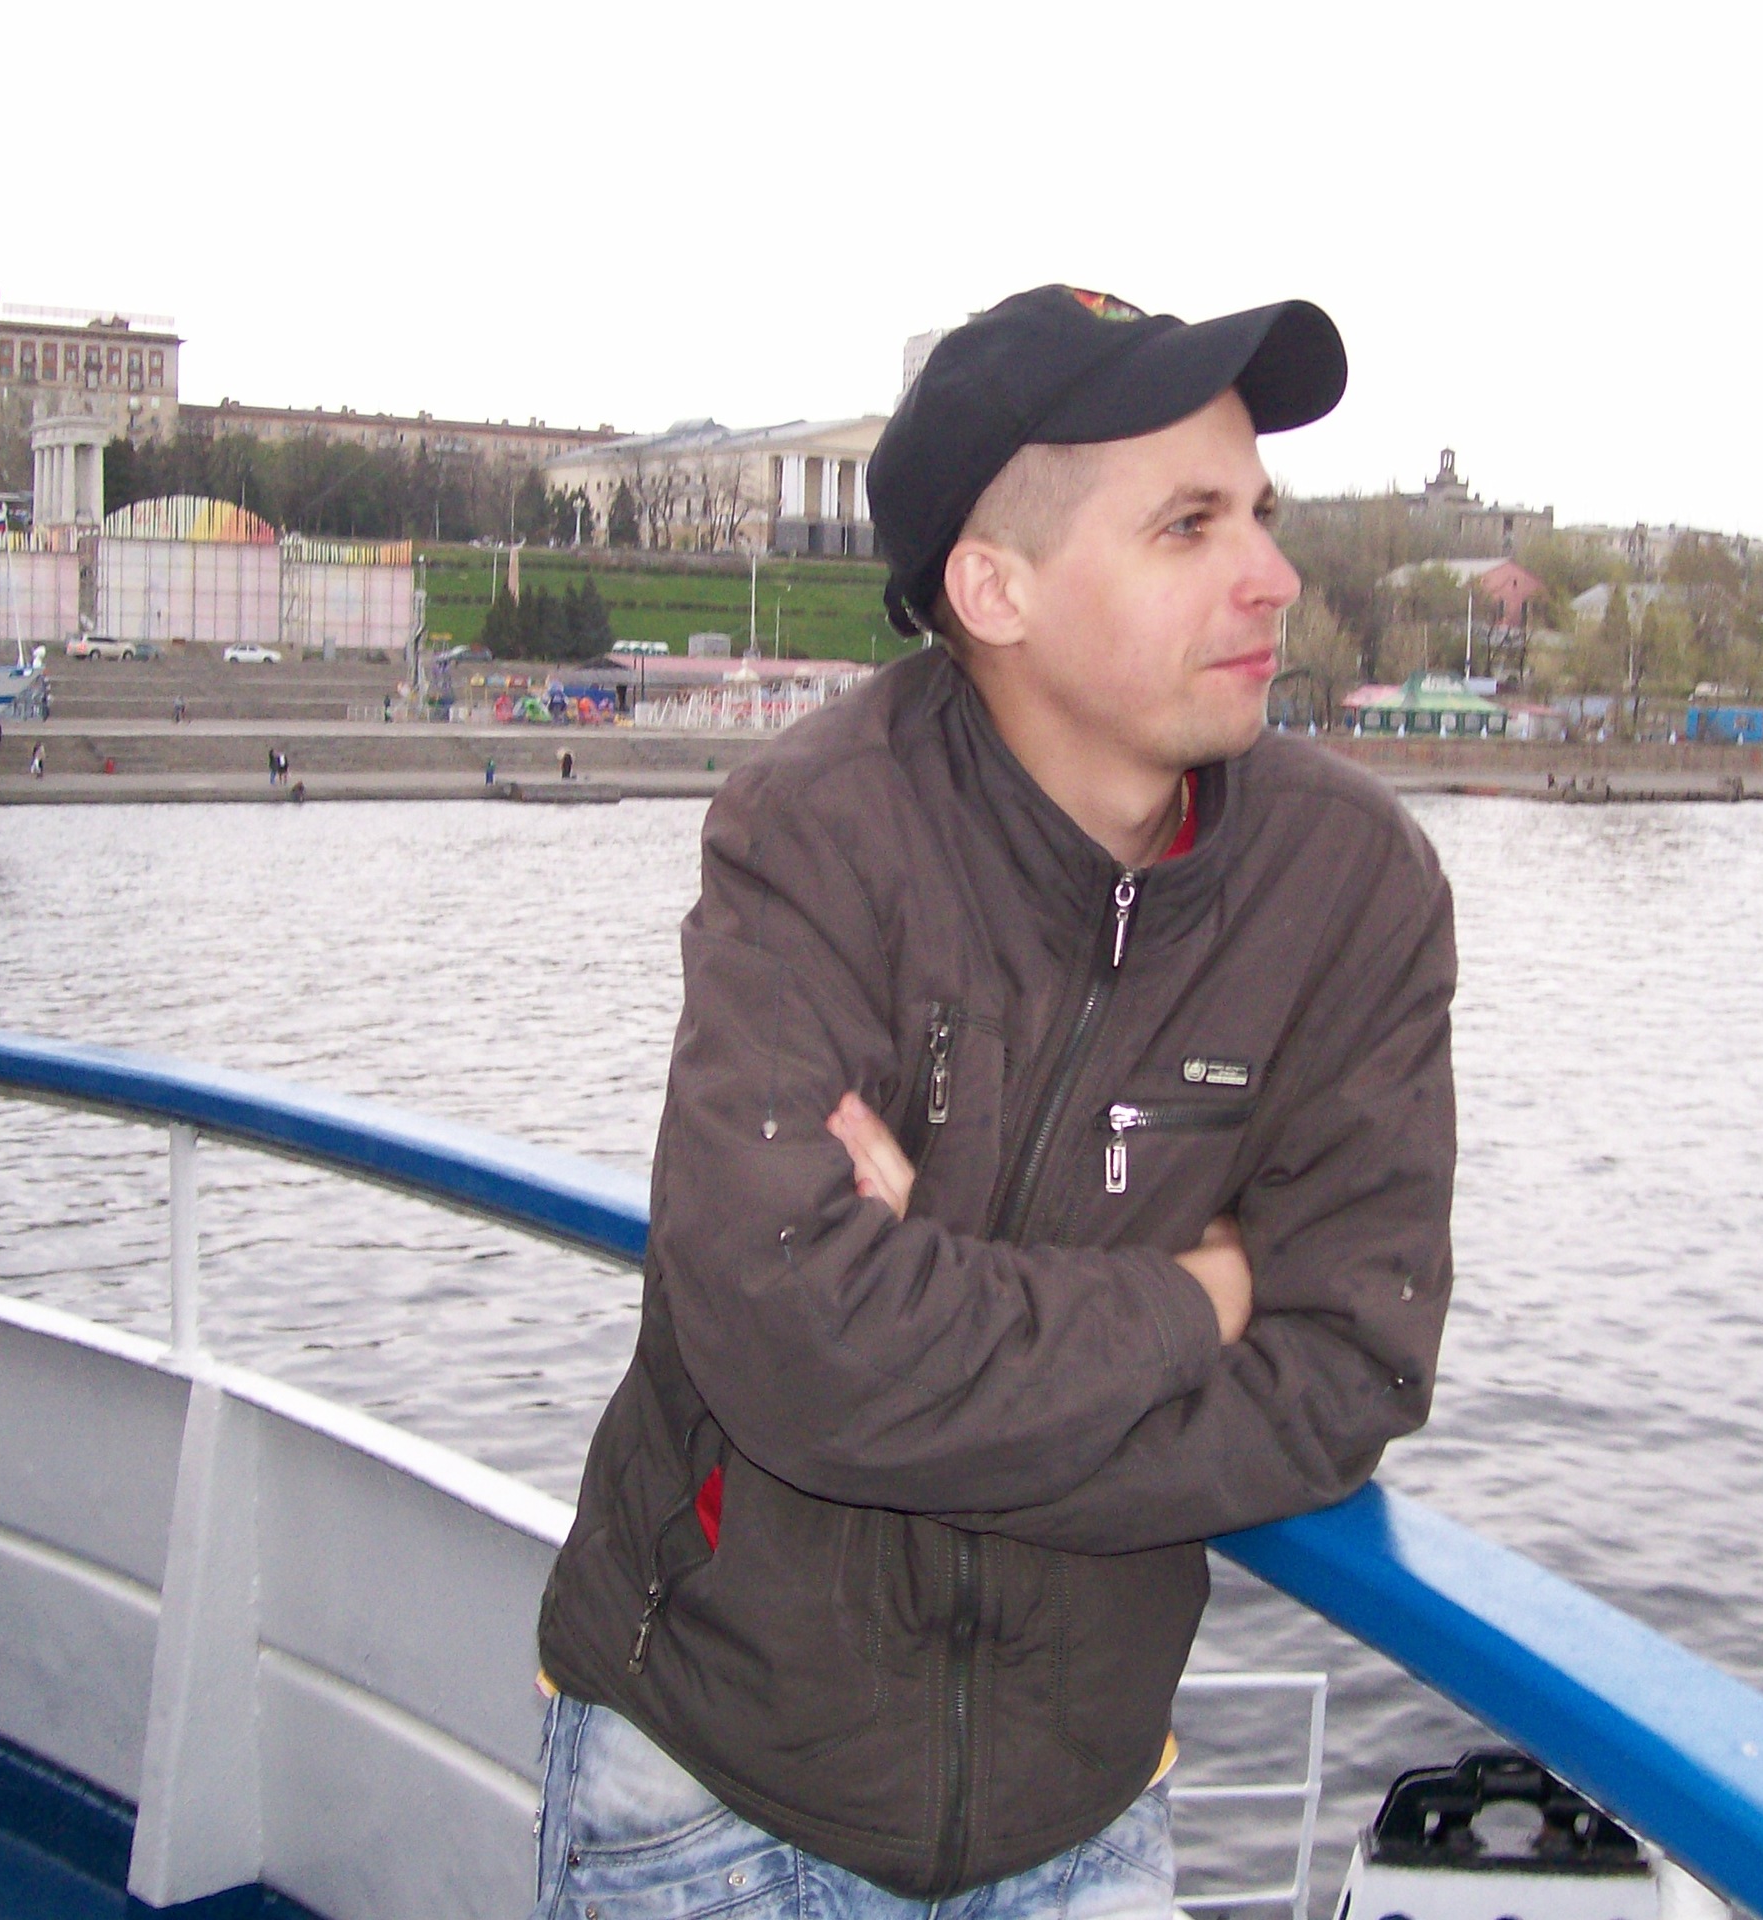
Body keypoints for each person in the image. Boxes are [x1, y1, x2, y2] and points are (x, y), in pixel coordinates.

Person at [532, 286, 1457, 1920]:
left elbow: (1348, 1374)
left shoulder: (1349, 891)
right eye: (1189, 526)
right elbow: (790, 1333)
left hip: (1083, 1823)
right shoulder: (821, 834)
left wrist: (912, 1367)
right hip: (711, 1798)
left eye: (1261, 514)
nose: (1273, 576)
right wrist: (1196, 1301)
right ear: (993, 588)